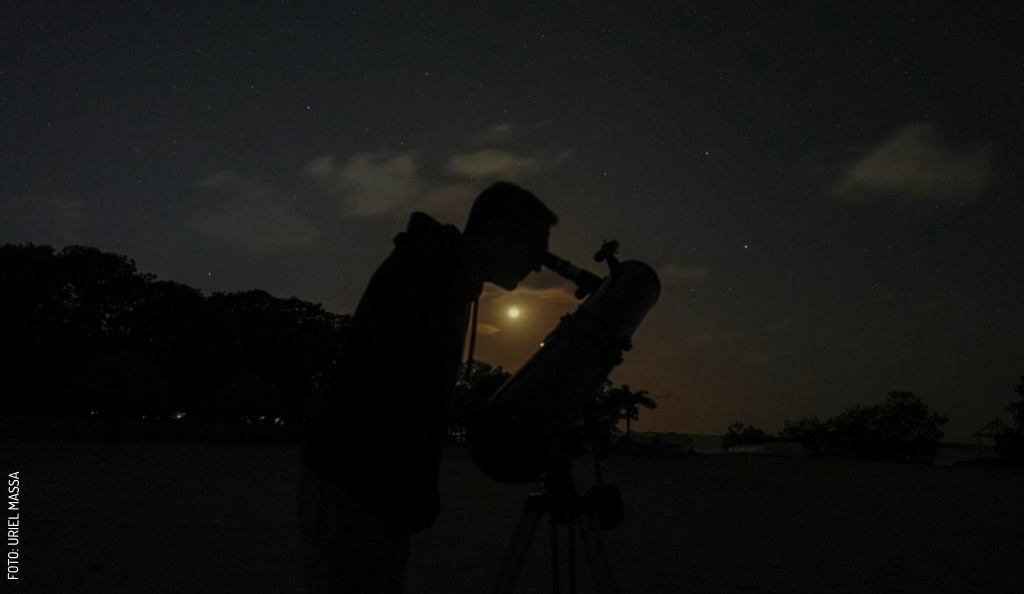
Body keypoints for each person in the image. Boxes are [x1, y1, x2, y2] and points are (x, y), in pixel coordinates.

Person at [298, 181, 558, 593]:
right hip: (356, 482)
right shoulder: (429, 275)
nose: (538, 264)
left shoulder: (444, 274)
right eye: (532, 246)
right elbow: (394, 399)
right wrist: (411, 492)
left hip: (372, 487)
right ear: (493, 229)